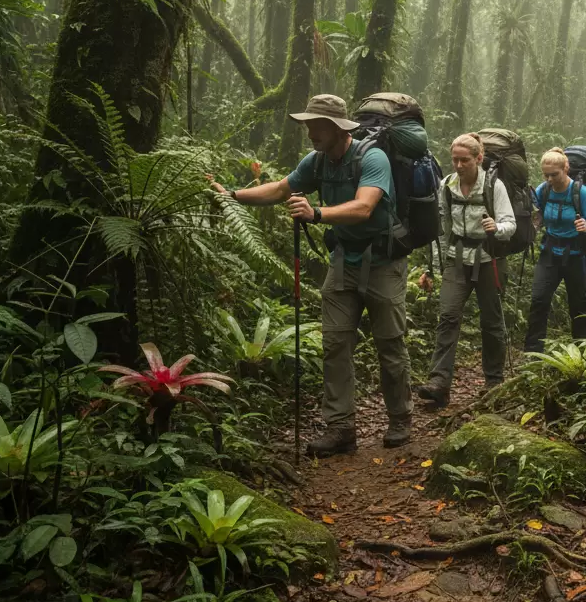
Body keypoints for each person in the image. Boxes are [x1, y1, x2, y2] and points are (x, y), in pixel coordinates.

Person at [208, 94, 411, 457]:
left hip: (383, 262)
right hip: (343, 261)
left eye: (316, 126)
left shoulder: (372, 157)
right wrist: (233, 195)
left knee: (390, 344)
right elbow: (281, 189)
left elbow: (365, 207)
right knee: (335, 344)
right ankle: (340, 428)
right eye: (308, 125)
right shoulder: (316, 161)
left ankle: (399, 417)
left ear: (336, 128)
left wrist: (316, 213)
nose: (310, 132)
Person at [417, 133, 516, 407]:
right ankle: (439, 383)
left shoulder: (494, 186)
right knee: (448, 316)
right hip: (457, 259)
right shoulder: (446, 185)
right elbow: (442, 230)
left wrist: (497, 228)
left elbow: (511, 224)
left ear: (479, 158)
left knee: (491, 322)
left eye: (465, 160)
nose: (459, 165)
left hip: (489, 258)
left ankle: (494, 381)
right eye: (455, 159)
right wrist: (433, 269)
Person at [524, 148, 586, 352]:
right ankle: (534, 353)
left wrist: (585, 227)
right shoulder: (544, 189)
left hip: (575, 256)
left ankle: (582, 352)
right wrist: (533, 226)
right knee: (539, 300)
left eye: (554, 174)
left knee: (578, 305)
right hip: (549, 253)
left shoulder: (579, 192)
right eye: (546, 175)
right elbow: (538, 213)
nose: (550, 179)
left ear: (565, 168)